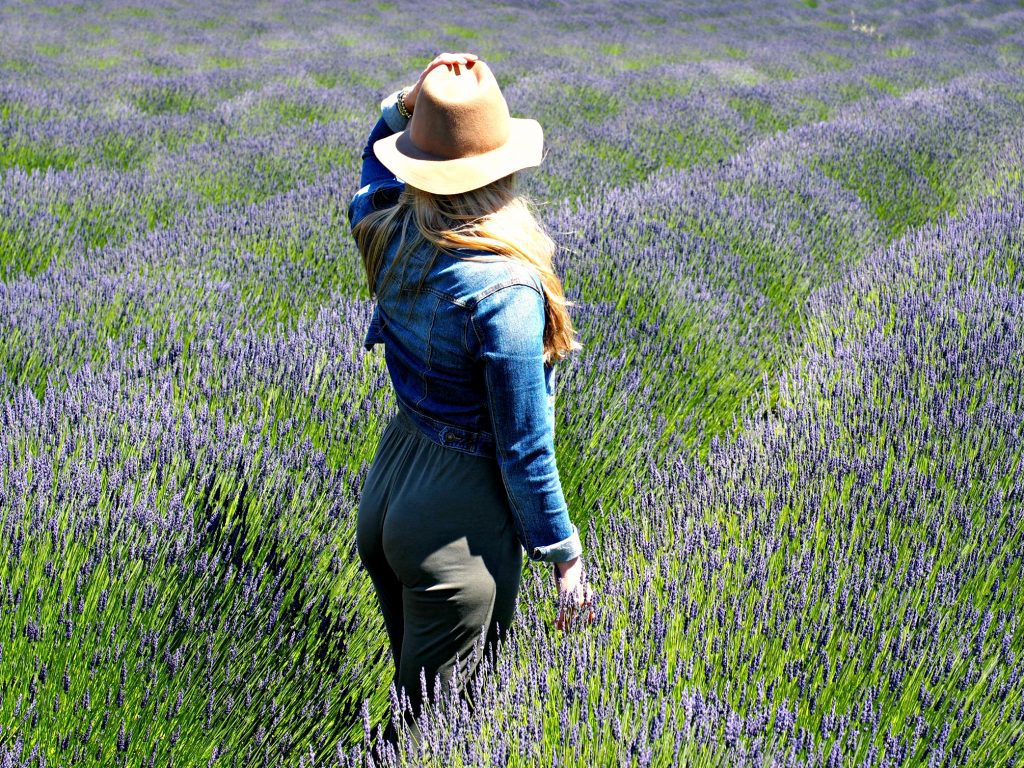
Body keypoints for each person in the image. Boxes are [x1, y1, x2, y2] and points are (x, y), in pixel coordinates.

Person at [348, 52, 596, 745]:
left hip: (393, 483)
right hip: (456, 522)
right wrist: (564, 555)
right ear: (504, 170)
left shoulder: (387, 229)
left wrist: (403, 108)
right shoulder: (506, 290)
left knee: (415, 706)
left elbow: (370, 174)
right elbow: (524, 446)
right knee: (429, 738)